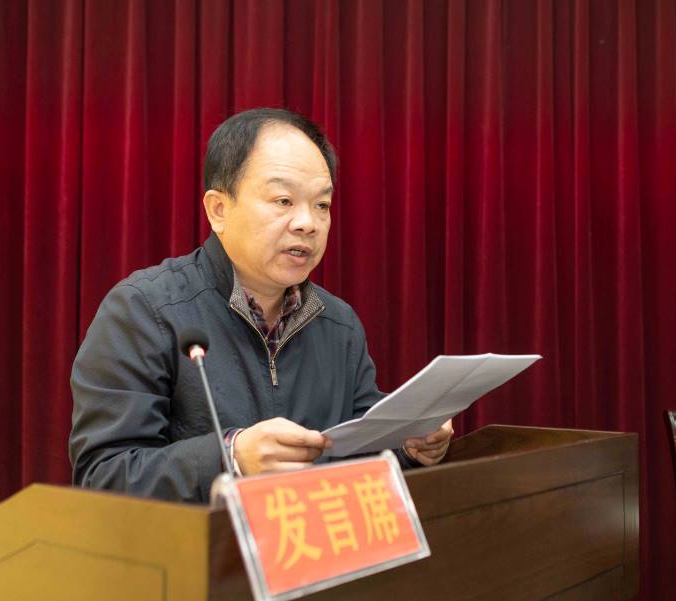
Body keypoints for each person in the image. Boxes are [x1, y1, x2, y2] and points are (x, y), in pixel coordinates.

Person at [69, 108, 453, 503]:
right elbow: (103, 475)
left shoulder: (339, 324)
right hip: (203, 542)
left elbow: (359, 450)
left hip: (309, 540)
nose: (307, 223)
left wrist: (408, 447)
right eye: (283, 200)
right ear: (218, 210)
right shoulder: (143, 310)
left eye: (322, 205)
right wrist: (231, 458)